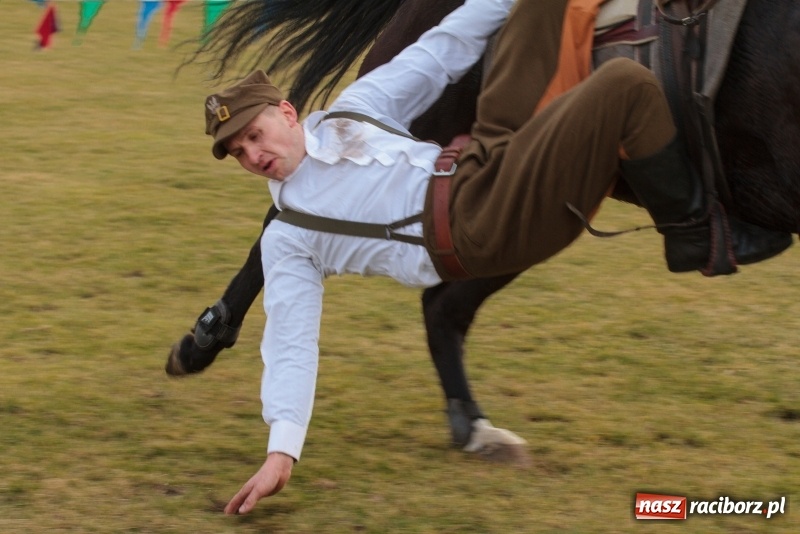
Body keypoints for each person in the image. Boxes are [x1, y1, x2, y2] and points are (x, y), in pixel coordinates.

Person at [200, 0, 791, 514]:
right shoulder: (290, 234)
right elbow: (291, 341)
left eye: (254, 134)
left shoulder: (354, 109)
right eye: (239, 152)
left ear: (287, 112)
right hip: (475, 228)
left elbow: (440, 50)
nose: (253, 155)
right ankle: (694, 232)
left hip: (480, 161)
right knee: (625, 86)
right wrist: (282, 450)